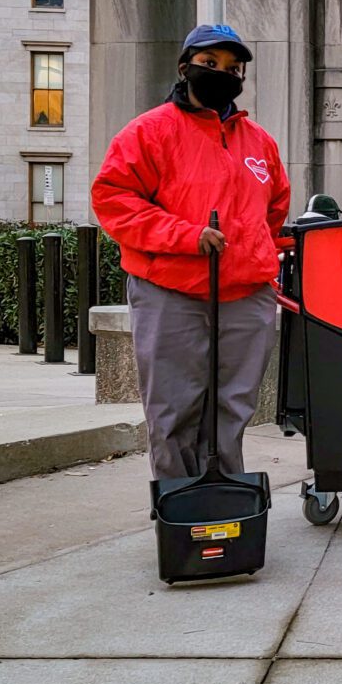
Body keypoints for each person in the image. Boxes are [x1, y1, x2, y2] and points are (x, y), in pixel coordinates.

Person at [92, 24, 291, 480]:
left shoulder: (259, 141)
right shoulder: (148, 132)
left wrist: (254, 252)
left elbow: (274, 207)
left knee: (232, 409)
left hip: (244, 295)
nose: (223, 73)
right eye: (210, 64)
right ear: (185, 69)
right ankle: (179, 508)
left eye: (232, 67)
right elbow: (114, 200)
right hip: (171, 291)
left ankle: (225, 499)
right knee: (174, 408)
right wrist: (185, 235)